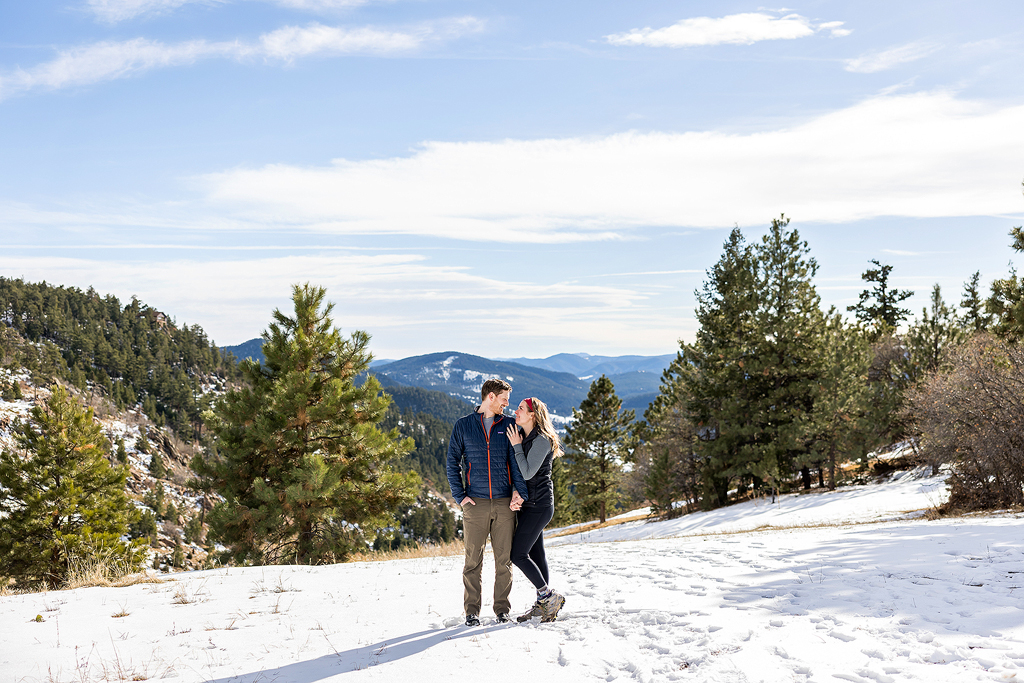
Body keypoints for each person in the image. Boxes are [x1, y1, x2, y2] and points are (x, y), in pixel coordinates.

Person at [446, 378, 528, 626]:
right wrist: (460, 496)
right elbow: (452, 462)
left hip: (504, 503)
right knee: (473, 561)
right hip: (475, 504)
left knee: (504, 560)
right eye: (504, 399)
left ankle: (502, 610)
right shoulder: (463, 426)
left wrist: (519, 492)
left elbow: (516, 461)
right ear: (490, 397)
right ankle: (472, 612)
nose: (507, 404)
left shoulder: (510, 426)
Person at [506, 396, 566, 623]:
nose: (516, 411)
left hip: (539, 506)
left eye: (521, 408)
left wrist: (516, 446)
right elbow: (518, 472)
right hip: (529, 504)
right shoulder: (527, 437)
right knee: (536, 553)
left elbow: (528, 472)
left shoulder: (541, 439)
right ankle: (544, 606)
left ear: (532, 414)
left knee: (518, 554)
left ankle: (548, 596)